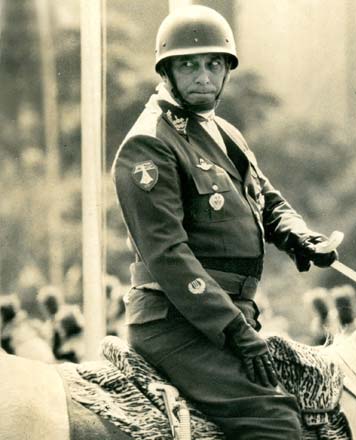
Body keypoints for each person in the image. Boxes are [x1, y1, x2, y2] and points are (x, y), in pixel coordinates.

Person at [112, 6, 338, 440]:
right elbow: (168, 257)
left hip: (225, 318)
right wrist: (233, 329)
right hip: (175, 322)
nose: (203, 76)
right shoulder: (150, 142)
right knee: (274, 422)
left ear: (227, 71)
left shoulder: (224, 133)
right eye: (189, 64)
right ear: (167, 73)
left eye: (214, 64)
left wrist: (299, 236)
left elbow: (266, 198)